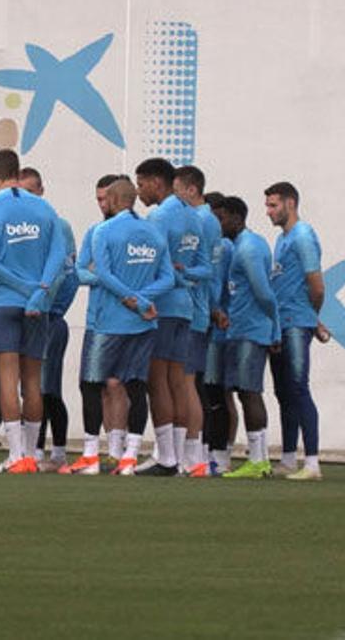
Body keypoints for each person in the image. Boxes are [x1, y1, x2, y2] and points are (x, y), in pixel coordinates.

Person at [0, 149, 66, 474]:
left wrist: (21, 286)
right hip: (37, 305)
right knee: (32, 381)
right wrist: (39, 289)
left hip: (4, 302)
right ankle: (33, 454)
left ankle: (16, 455)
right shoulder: (44, 208)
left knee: (7, 379)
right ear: (17, 170)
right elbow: (59, 255)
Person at [84, 178, 175, 476]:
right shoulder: (154, 231)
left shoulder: (104, 231)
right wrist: (143, 300)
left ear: (111, 199)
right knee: (137, 386)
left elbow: (105, 275)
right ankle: (129, 457)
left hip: (110, 321)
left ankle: (91, 456)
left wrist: (131, 299)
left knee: (92, 384)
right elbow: (168, 279)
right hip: (143, 323)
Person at [135, 157, 210, 476]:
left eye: (141, 184)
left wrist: (173, 278)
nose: (139, 191)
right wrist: (186, 275)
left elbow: (152, 266)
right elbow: (206, 268)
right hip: (186, 308)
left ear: (156, 182)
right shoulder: (193, 217)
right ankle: (178, 457)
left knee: (157, 380)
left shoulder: (158, 216)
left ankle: (166, 456)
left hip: (163, 306)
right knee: (178, 381)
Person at [61, 174, 131, 476]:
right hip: (98, 318)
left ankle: (116, 451)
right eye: (99, 199)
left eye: (106, 198)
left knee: (118, 385)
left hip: (126, 320)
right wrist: (107, 276)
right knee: (97, 385)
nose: (103, 204)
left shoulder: (133, 232)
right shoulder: (95, 232)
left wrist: (101, 275)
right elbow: (80, 273)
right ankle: (103, 450)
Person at [266, 182, 327, 481]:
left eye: (273, 205)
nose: (269, 212)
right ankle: (289, 458)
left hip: (295, 323)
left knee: (299, 387)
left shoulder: (303, 236)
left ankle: (312, 463)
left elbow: (316, 284)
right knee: (284, 392)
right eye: (268, 205)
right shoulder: (282, 239)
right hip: (281, 324)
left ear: (290, 204)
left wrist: (311, 318)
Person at [216, 196, 280, 480]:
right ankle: (260, 459)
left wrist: (274, 328)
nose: (217, 224)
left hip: (251, 332)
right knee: (245, 392)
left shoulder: (249, 248)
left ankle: (258, 460)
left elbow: (265, 293)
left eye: (221, 218)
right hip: (242, 329)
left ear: (235, 217)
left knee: (249, 392)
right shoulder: (243, 245)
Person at [16, 168, 76, 469]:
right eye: (21, 191)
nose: (27, 197)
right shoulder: (15, 225)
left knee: (47, 385)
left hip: (48, 317)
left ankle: (52, 450)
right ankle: (32, 449)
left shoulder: (58, 225)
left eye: (31, 190)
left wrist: (53, 308)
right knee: (28, 384)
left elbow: (68, 274)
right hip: (23, 315)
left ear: (42, 190)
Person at [172, 164, 220, 476]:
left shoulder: (200, 219)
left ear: (192, 189)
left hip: (193, 309)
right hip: (199, 309)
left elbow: (205, 269)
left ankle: (191, 454)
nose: (175, 199)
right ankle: (195, 453)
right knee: (191, 382)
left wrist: (183, 274)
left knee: (186, 381)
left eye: (177, 192)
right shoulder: (208, 220)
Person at [203, 192, 238, 474]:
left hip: (219, 329)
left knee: (217, 393)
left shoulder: (224, 247)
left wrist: (216, 310)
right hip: (206, 325)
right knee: (208, 390)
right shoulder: (212, 245)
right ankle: (211, 451)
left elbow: (224, 286)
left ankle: (221, 452)